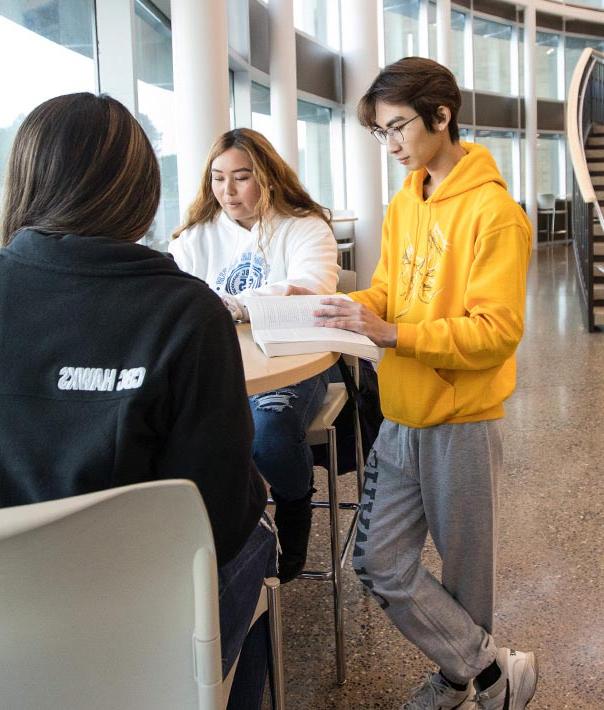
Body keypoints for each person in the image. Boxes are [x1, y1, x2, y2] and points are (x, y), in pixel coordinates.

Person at [0, 93, 274, 710]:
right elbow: (219, 522)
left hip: (11, 631)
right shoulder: (185, 314)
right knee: (259, 529)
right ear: (141, 187)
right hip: (139, 624)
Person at [314, 58, 538, 710]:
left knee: (467, 580)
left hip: (461, 420)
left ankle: (459, 681)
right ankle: (493, 671)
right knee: (378, 562)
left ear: (441, 115)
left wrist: (394, 335)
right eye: (380, 134)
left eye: (397, 128)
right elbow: (388, 291)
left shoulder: (496, 215)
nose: (389, 146)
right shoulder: (406, 200)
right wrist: (342, 305)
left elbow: (496, 331)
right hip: (400, 415)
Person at [169, 127, 339, 582]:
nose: (228, 190)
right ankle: (226, 548)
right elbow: (175, 298)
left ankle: (294, 506)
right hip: (218, 365)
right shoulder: (194, 237)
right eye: (218, 177)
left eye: (241, 177)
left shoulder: (302, 226)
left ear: (267, 177)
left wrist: (237, 304)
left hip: (290, 361)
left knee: (267, 432)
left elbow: (313, 288)